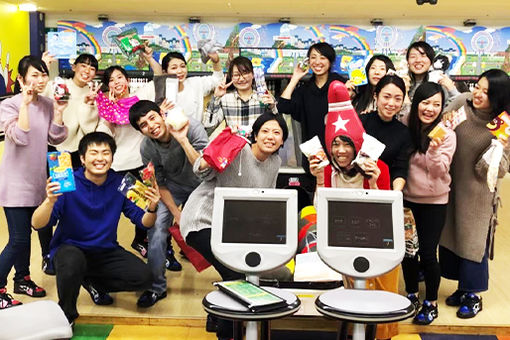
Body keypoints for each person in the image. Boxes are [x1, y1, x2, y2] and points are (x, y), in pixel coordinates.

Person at [31, 132, 160, 324]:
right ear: (82, 158)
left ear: (112, 158)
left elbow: (143, 222)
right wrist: (49, 201)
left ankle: (93, 282)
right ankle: (67, 316)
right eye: (94, 153)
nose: (100, 158)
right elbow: (36, 223)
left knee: (145, 278)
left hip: (105, 250)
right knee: (71, 261)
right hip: (70, 249)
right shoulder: (67, 182)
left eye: (105, 153)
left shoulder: (122, 182)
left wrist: (152, 207)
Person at [180, 113, 288, 340]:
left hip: (233, 230)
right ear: (255, 135)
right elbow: (201, 171)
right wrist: (215, 146)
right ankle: (226, 331)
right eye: (265, 131)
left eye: (277, 133)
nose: (270, 137)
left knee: (246, 272)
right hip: (203, 220)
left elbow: (265, 199)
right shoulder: (238, 150)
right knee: (235, 273)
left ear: (282, 140)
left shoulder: (275, 162)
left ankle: (219, 318)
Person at [309, 80, 396, 340]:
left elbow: (385, 215)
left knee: (378, 309)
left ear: (358, 144)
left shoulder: (378, 166)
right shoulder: (324, 168)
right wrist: (319, 180)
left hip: (376, 242)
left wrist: (374, 179)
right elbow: (318, 211)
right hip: (340, 241)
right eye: (335, 144)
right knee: (347, 305)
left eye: (347, 144)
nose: (341, 151)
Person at [439, 69, 510, 319]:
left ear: (499, 97)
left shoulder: (503, 124)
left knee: (473, 242)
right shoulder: (461, 103)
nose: (478, 94)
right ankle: (462, 287)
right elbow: (440, 133)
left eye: (487, 92)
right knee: (451, 236)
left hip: (478, 193)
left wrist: (499, 150)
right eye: (477, 86)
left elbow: (497, 171)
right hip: (449, 184)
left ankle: (473, 295)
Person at [0, 55, 68, 309]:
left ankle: (22, 279)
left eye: (43, 75)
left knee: (29, 235)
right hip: (15, 183)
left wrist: (59, 112)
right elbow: (21, 136)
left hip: (38, 182)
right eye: (34, 75)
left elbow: (56, 137)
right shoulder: (10, 105)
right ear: (21, 79)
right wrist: (25, 106)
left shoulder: (49, 103)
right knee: (18, 238)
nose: (40, 80)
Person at [129, 99, 209, 307]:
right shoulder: (147, 148)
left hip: (204, 185)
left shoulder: (190, 126)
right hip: (172, 187)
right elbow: (160, 183)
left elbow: (205, 167)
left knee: (220, 230)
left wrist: (182, 140)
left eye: (152, 118)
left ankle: (234, 280)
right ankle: (157, 287)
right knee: (155, 231)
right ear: (141, 131)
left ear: (162, 115)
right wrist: (177, 213)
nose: (151, 126)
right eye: (143, 125)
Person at [39, 52, 100, 274]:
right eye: (83, 65)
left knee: (74, 205)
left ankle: (70, 250)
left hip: (80, 154)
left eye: (92, 68)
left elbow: (89, 128)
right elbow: (41, 92)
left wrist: (89, 105)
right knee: (53, 202)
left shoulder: (93, 93)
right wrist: (44, 67)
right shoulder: (60, 85)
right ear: (74, 67)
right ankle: (47, 254)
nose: (87, 71)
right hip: (60, 152)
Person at [401, 82, 456, 325]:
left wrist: (433, 151)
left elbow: (439, 171)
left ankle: (431, 302)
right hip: (407, 200)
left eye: (436, 104)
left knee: (427, 253)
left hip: (435, 202)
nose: (430, 109)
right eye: (425, 102)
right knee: (408, 253)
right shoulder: (405, 125)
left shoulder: (446, 134)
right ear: (416, 104)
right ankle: (411, 294)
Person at [95, 65, 149, 258]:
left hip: (140, 164)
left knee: (144, 207)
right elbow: (103, 135)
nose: (116, 82)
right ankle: (106, 246)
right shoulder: (107, 108)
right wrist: (107, 115)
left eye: (120, 77)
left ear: (127, 80)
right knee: (112, 210)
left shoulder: (139, 102)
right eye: (111, 80)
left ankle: (140, 240)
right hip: (119, 167)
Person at [277, 42, 347, 177]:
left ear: (330, 61)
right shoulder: (305, 89)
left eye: (322, 58)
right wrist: (295, 78)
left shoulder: (339, 85)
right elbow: (283, 106)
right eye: (313, 57)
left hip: (340, 152)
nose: (317, 62)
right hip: (314, 153)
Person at [359, 74, 413, 191]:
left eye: (398, 99)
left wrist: (395, 195)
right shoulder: (360, 123)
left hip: (382, 189)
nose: (391, 103)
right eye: (386, 97)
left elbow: (400, 169)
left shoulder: (404, 133)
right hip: (355, 187)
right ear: (376, 96)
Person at [203, 56, 276, 134]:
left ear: (253, 74)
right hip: (234, 144)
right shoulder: (225, 100)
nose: (241, 79)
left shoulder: (264, 98)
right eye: (236, 75)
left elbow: (276, 126)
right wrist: (216, 97)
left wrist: (272, 107)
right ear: (231, 77)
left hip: (257, 145)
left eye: (245, 73)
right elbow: (209, 127)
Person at [150, 50, 223, 123]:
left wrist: (216, 61)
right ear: (165, 72)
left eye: (182, 66)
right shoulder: (159, 90)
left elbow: (217, 81)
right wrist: (159, 113)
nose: (180, 71)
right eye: (174, 68)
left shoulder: (196, 83)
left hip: (196, 132)